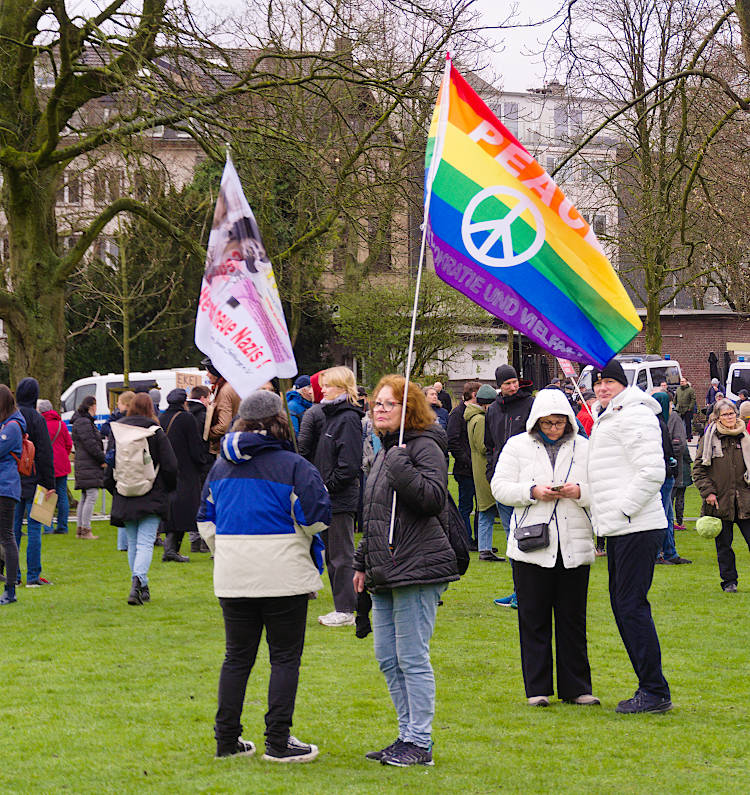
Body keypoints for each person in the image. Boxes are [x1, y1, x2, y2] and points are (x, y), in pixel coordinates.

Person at [197, 390, 330, 762]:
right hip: (283, 575)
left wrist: (231, 550)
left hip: (233, 574)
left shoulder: (220, 466)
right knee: (284, 659)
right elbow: (317, 517)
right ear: (280, 421)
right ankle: (277, 741)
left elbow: (205, 521)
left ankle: (226, 741)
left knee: (237, 658)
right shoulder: (293, 466)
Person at [353, 375, 460, 767]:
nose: (379, 409)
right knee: (387, 656)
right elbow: (376, 514)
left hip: (418, 566)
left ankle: (420, 742)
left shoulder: (422, 446)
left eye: (388, 404)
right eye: (376, 403)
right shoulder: (384, 450)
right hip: (384, 567)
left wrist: (399, 461)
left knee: (412, 657)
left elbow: (433, 499)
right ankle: (405, 735)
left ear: (408, 409)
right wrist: (361, 561)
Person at [492, 388, 597, 707]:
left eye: (560, 423)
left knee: (572, 620)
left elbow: (603, 488)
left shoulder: (584, 447)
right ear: (536, 421)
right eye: (548, 423)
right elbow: (499, 487)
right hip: (530, 545)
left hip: (574, 544)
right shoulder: (517, 446)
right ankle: (537, 689)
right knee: (533, 618)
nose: (554, 429)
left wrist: (579, 491)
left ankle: (577, 688)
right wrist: (531, 491)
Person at [586, 359, 672, 714]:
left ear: (624, 384)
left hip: (635, 525)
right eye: (598, 382)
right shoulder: (612, 415)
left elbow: (653, 470)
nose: (602, 388)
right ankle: (649, 686)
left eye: (609, 382)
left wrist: (623, 510)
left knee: (631, 606)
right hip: (621, 527)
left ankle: (654, 690)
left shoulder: (634, 414)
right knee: (624, 607)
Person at [105, 393, 178, 605]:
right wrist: (168, 488)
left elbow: (110, 464)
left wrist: (115, 488)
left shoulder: (117, 430)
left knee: (134, 543)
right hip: (152, 492)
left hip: (124, 492)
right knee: (146, 543)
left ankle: (140, 584)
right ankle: (138, 583)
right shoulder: (155, 432)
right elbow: (170, 465)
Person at [312, 366, 363, 626]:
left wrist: (327, 486)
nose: (324, 389)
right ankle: (343, 606)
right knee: (333, 555)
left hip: (340, 499)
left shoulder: (348, 418)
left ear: (343, 388)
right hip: (329, 496)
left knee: (341, 556)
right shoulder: (331, 416)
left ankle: (346, 610)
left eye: (329, 385)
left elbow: (349, 464)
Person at [485, 364, 534, 609]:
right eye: (507, 384)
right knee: (511, 540)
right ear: (499, 386)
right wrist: (490, 473)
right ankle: (518, 590)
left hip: (526, 483)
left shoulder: (530, 405)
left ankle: (527, 592)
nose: (512, 386)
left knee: (528, 537)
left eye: (514, 381)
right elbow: (489, 445)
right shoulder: (493, 410)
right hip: (501, 481)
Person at [692, 399, 750, 594]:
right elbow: (698, 470)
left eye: (732, 413)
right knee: (724, 546)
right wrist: (708, 492)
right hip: (719, 501)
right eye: (725, 414)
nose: (730, 417)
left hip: (745, 499)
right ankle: (729, 582)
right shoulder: (709, 438)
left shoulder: (745, 436)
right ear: (717, 417)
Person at [12, 377, 55, 586]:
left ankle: (14, 574)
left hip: (13, 480)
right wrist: (51, 483)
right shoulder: (37, 419)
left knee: (13, 529)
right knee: (35, 528)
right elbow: (46, 454)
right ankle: (32, 577)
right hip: (36, 479)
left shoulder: (10, 416)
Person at [159, 388, 209, 563]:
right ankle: (171, 549)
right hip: (186, 470)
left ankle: (171, 548)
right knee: (184, 511)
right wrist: (202, 463)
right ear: (184, 402)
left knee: (172, 510)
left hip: (167, 470)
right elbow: (195, 445)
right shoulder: (186, 418)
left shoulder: (162, 418)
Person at [466, 385, 503, 561]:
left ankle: (484, 547)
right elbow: (483, 446)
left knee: (484, 509)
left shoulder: (473, 417)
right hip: (484, 468)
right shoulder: (480, 420)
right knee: (488, 509)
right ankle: (485, 548)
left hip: (478, 467)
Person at [653, 392, 691, 565]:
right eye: (668, 403)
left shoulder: (661, 422)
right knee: (662, 514)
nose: (671, 407)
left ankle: (669, 552)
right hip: (663, 473)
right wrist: (671, 461)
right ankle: (659, 553)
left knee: (667, 515)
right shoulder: (657, 423)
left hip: (667, 472)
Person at [446, 382, 481, 549]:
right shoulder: (457, 414)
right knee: (465, 506)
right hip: (465, 469)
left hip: (476, 468)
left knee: (481, 505)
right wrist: (467, 460)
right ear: (473, 394)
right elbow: (452, 440)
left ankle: (479, 540)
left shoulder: (479, 413)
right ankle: (465, 539)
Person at [0, 386, 25, 605]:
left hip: (5, 487)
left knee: (7, 537)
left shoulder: (13, 426)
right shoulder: (6, 424)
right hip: (4, 485)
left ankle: (11, 587)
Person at [72, 395, 106, 541]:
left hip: (84, 463)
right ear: (92, 406)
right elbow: (91, 444)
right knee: (91, 495)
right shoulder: (85, 422)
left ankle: (81, 529)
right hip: (89, 463)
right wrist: (102, 459)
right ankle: (86, 529)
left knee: (86, 496)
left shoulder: (80, 421)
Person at [39, 399, 73, 535]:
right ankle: (63, 526)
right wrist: (63, 455)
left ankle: (48, 527)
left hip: (45, 465)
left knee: (45, 495)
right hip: (61, 464)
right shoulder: (61, 424)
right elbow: (68, 444)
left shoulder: (40, 425)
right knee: (62, 495)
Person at [186, 384, 213, 552]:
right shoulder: (203, 416)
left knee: (194, 501)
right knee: (206, 501)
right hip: (204, 462)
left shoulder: (185, 415)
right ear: (203, 399)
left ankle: (194, 539)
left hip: (188, 465)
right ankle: (204, 540)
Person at [203, 358, 241, 456]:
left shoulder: (224, 391)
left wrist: (206, 434)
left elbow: (224, 426)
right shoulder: (229, 386)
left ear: (216, 372)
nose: (207, 375)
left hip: (224, 448)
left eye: (208, 371)